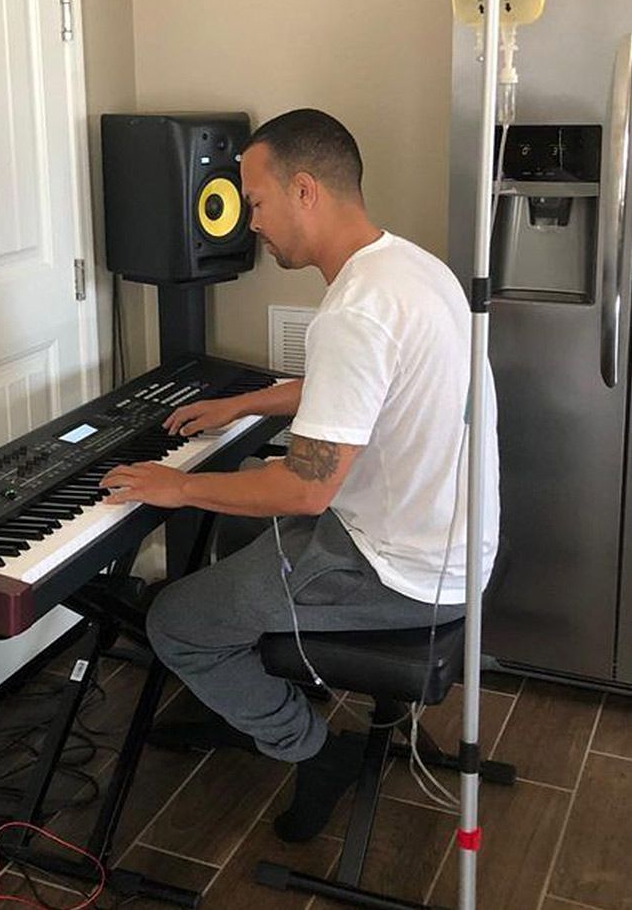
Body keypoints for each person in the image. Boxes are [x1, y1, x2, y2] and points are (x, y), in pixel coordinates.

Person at [101, 108, 499, 842]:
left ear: (305, 190)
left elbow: (306, 487)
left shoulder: (355, 310)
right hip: (453, 545)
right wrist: (246, 401)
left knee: (174, 621)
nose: (251, 221)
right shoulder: (409, 267)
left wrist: (176, 485)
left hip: (396, 570)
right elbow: (355, 385)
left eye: (255, 201)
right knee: (241, 540)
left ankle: (310, 749)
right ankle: (285, 679)